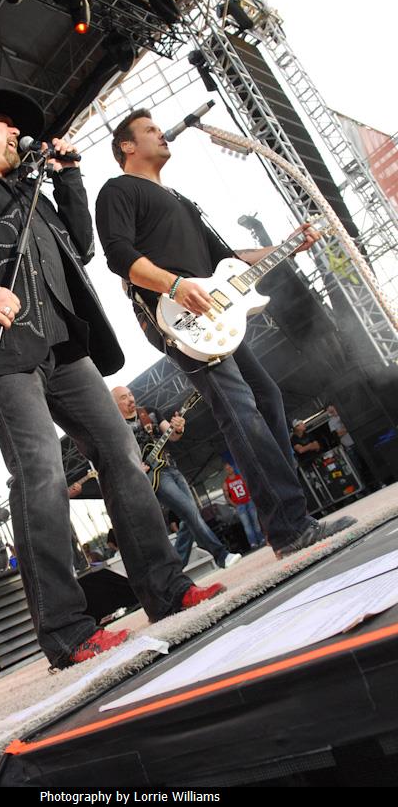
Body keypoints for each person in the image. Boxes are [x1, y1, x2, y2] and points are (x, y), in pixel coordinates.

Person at [0, 90, 224, 669]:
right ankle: (67, 632)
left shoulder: (29, 189)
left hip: (66, 344)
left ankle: (166, 589)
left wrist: (68, 178)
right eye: (5, 124)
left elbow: (81, 247)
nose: (16, 131)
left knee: (121, 451)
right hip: (2, 346)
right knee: (40, 471)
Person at [96, 108, 356, 560]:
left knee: (266, 397)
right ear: (127, 146)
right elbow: (118, 256)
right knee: (240, 411)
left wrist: (285, 246)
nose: (162, 133)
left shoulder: (179, 199)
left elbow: (228, 258)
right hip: (177, 316)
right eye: (151, 130)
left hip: (216, 315)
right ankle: (290, 528)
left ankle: (289, 514)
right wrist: (174, 285)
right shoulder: (118, 190)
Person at [112, 386, 242, 569]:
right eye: (124, 398)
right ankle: (221, 555)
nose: (130, 399)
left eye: (130, 394)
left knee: (190, 514)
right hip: (156, 477)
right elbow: (117, 457)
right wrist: (134, 466)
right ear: (114, 403)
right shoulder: (116, 428)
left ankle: (177, 567)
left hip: (172, 467)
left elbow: (172, 435)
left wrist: (178, 428)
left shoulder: (149, 412)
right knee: (190, 512)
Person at [222, 463, 266, 550]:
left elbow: (248, 486)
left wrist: (250, 497)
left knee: (255, 521)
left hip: (248, 502)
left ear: (233, 468)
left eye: (230, 467)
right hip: (240, 505)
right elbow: (227, 497)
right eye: (227, 469)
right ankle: (253, 542)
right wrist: (235, 505)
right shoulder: (226, 483)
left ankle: (261, 538)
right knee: (247, 525)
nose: (229, 469)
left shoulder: (240, 477)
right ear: (225, 471)